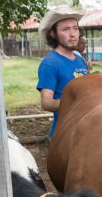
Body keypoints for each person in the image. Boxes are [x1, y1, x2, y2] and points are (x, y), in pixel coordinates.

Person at [36, 8, 89, 137]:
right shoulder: (50, 63)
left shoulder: (80, 60)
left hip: (86, 129)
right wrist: (79, 103)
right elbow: (46, 103)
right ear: (53, 34)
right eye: (66, 29)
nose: (73, 34)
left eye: (75, 28)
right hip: (64, 135)